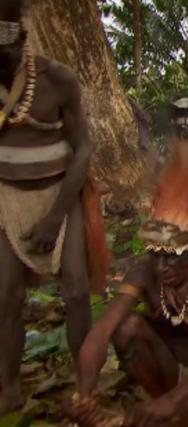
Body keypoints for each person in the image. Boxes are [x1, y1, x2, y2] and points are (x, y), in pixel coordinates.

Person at [65, 142, 188, 427]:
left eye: (172, 257)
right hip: (172, 370)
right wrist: (84, 391)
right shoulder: (143, 272)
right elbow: (101, 332)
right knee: (126, 327)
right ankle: (171, 408)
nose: (162, 267)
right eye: (155, 255)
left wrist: (174, 399)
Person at [0, 0, 109, 415]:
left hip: (61, 196)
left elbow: (83, 149)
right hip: (6, 201)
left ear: (22, 41)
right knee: (6, 298)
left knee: (77, 292)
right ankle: (9, 387)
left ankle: (86, 388)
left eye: (4, 56)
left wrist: (55, 216)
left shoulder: (57, 79)